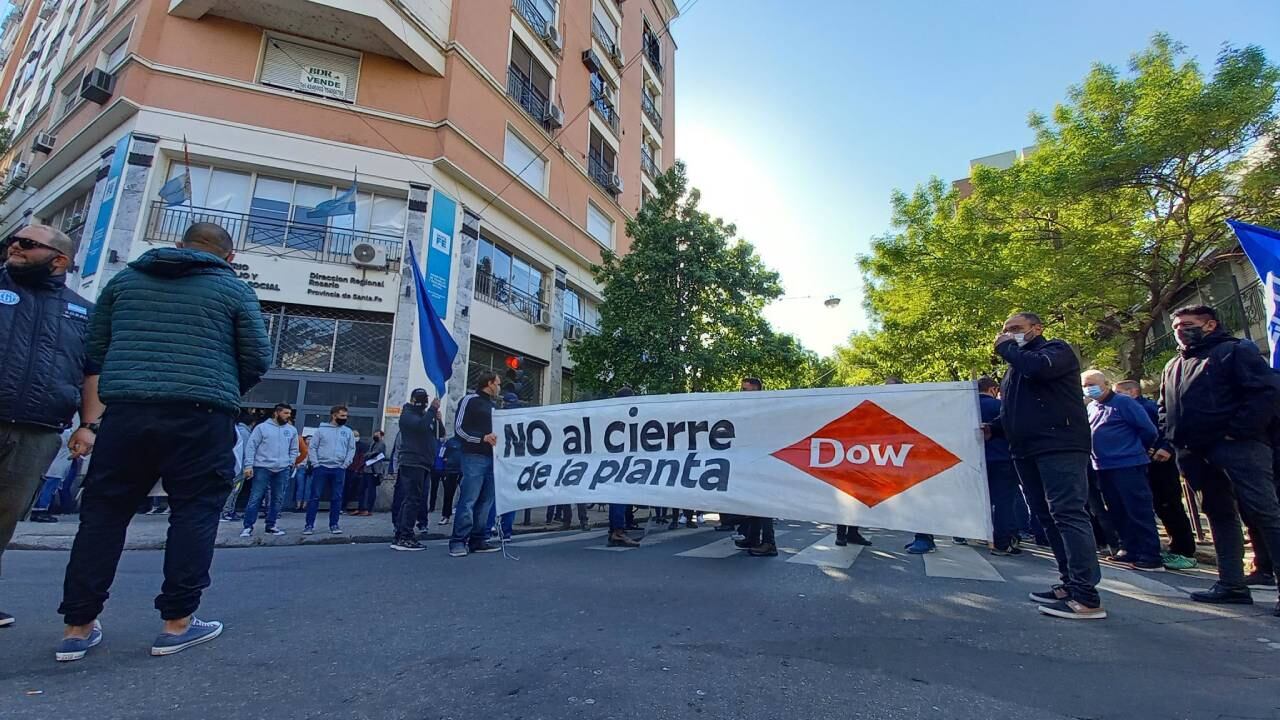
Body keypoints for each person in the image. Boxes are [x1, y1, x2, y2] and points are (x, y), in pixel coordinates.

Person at [56, 222, 271, 660]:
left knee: (103, 515)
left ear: (177, 245)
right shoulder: (233, 290)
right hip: (200, 415)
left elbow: (96, 347)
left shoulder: (125, 281)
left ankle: (77, 627)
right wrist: (222, 387)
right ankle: (177, 623)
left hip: (127, 413)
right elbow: (258, 357)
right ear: (229, 257)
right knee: (195, 512)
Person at [1, 222, 103, 628]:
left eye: (27, 244)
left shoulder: (82, 311)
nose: (15, 247)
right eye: (13, 241)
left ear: (59, 259)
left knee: (5, 516)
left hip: (38, 431)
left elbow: (92, 374)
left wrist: (87, 426)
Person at [1158, 305, 1280, 616]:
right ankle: (1231, 585)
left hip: (1238, 447)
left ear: (1210, 324)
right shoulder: (1173, 365)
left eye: (1188, 324)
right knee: (1218, 515)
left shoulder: (1235, 351)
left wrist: (1237, 432)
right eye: (1176, 326)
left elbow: (1264, 394)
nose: (1181, 330)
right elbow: (1164, 406)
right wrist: (1171, 436)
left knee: (1265, 513)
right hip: (1193, 451)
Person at [989, 312, 1104, 620]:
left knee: (1068, 513)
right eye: (1005, 330)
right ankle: (1070, 583)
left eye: (1016, 329)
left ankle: (1086, 595)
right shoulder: (1015, 368)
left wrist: (1007, 349)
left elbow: (1039, 370)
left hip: (1059, 445)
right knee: (1048, 517)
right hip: (1026, 450)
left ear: (1037, 329)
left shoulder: (1054, 351)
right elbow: (1015, 409)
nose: (1009, 335)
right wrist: (995, 427)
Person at [1081, 370, 1162, 571]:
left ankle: (1150, 554)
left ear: (1106, 384)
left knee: (1138, 510)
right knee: (1117, 510)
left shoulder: (1124, 403)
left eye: (1091, 383)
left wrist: (1133, 450)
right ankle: (1129, 549)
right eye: (1084, 385)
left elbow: (1148, 430)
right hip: (1102, 466)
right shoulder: (1092, 407)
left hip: (1128, 464)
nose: (1088, 388)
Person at [1114, 379, 1197, 570]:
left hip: (1161, 461)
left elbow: (1162, 428)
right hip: (1144, 462)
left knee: (1169, 504)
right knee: (1156, 505)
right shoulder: (1129, 407)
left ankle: (1183, 550)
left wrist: (1162, 447)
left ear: (1133, 391)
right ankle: (1164, 546)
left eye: (1120, 391)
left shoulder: (1147, 407)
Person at [449, 372, 502, 557]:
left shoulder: (493, 406)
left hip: (492, 458)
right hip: (473, 456)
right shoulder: (469, 400)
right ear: (489, 383)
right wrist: (482, 439)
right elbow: (459, 429)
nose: (499, 387)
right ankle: (458, 540)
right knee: (469, 499)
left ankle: (478, 539)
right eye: (498, 383)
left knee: (486, 501)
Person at [239, 403, 299, 538]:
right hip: (262, 467)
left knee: (277, 498)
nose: (288, 416)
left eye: (289, 414)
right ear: (276, 413)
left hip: (283, 468)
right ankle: (248, 526)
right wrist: (248, 465)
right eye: (285, 413)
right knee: (256, 497)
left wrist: (290, 463)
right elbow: (251, 446)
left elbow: (294, 449)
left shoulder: (291, 430)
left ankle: (271, 525)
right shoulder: (262, 428)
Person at [978, 377, 1021, 556]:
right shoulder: (1000, 407)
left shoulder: (967, 409)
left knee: (983, 500)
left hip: (978, 461)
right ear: (993, 389)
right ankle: (1003, 541)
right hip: (1002, 458)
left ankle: (982, 534)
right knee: (1004, 502)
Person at [735, 377, 777, 557]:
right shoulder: (745, 410)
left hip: (763, 462)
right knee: (752, 503)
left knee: (764, 505)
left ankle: (769, 543)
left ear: (757, 390)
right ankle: (753, 538)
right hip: (751, 462)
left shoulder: (766, 409)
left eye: (746, 390)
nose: (742, 393)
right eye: (741, 390)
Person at [392, 389, 437, 551]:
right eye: (421, 399)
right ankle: (405, 536)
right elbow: (421, 428)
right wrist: (431, 411)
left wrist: (436, 418)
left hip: (423, 462)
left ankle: (401, 533)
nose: (423, 402)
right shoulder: (407, 415)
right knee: (411, 500)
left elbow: (438, 434)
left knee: (413, 499)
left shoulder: (423, 415)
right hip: (413, 462)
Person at [305, 406, 356, 536]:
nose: (345, 419)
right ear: (334, 416)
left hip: (339, 468)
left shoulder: (348, 431)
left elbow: (351, 449)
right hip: (321, 467)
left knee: (337, 497)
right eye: (342, 416)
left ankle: (334, 524)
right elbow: (313, 447)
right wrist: (315, 463)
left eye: (346, 416)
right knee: (315, 497)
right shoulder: (321, 431)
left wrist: (345, 464)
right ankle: (309, 525)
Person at [29, 429, 76, 523]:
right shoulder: (67, 434)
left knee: (44, 489)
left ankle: (36, 511)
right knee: (48, 490)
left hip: (49, 467)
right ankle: (41, 511)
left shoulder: (54, 434)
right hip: (56, 469)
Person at [220, 413, 254, 522]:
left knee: (233, 490)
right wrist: (247, 466)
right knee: (235, 490)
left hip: (233, 465)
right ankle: (227, 512)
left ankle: (228, 511)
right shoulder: (245, 433)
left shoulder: (236, 430)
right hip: (240, 468)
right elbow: (246, 451)